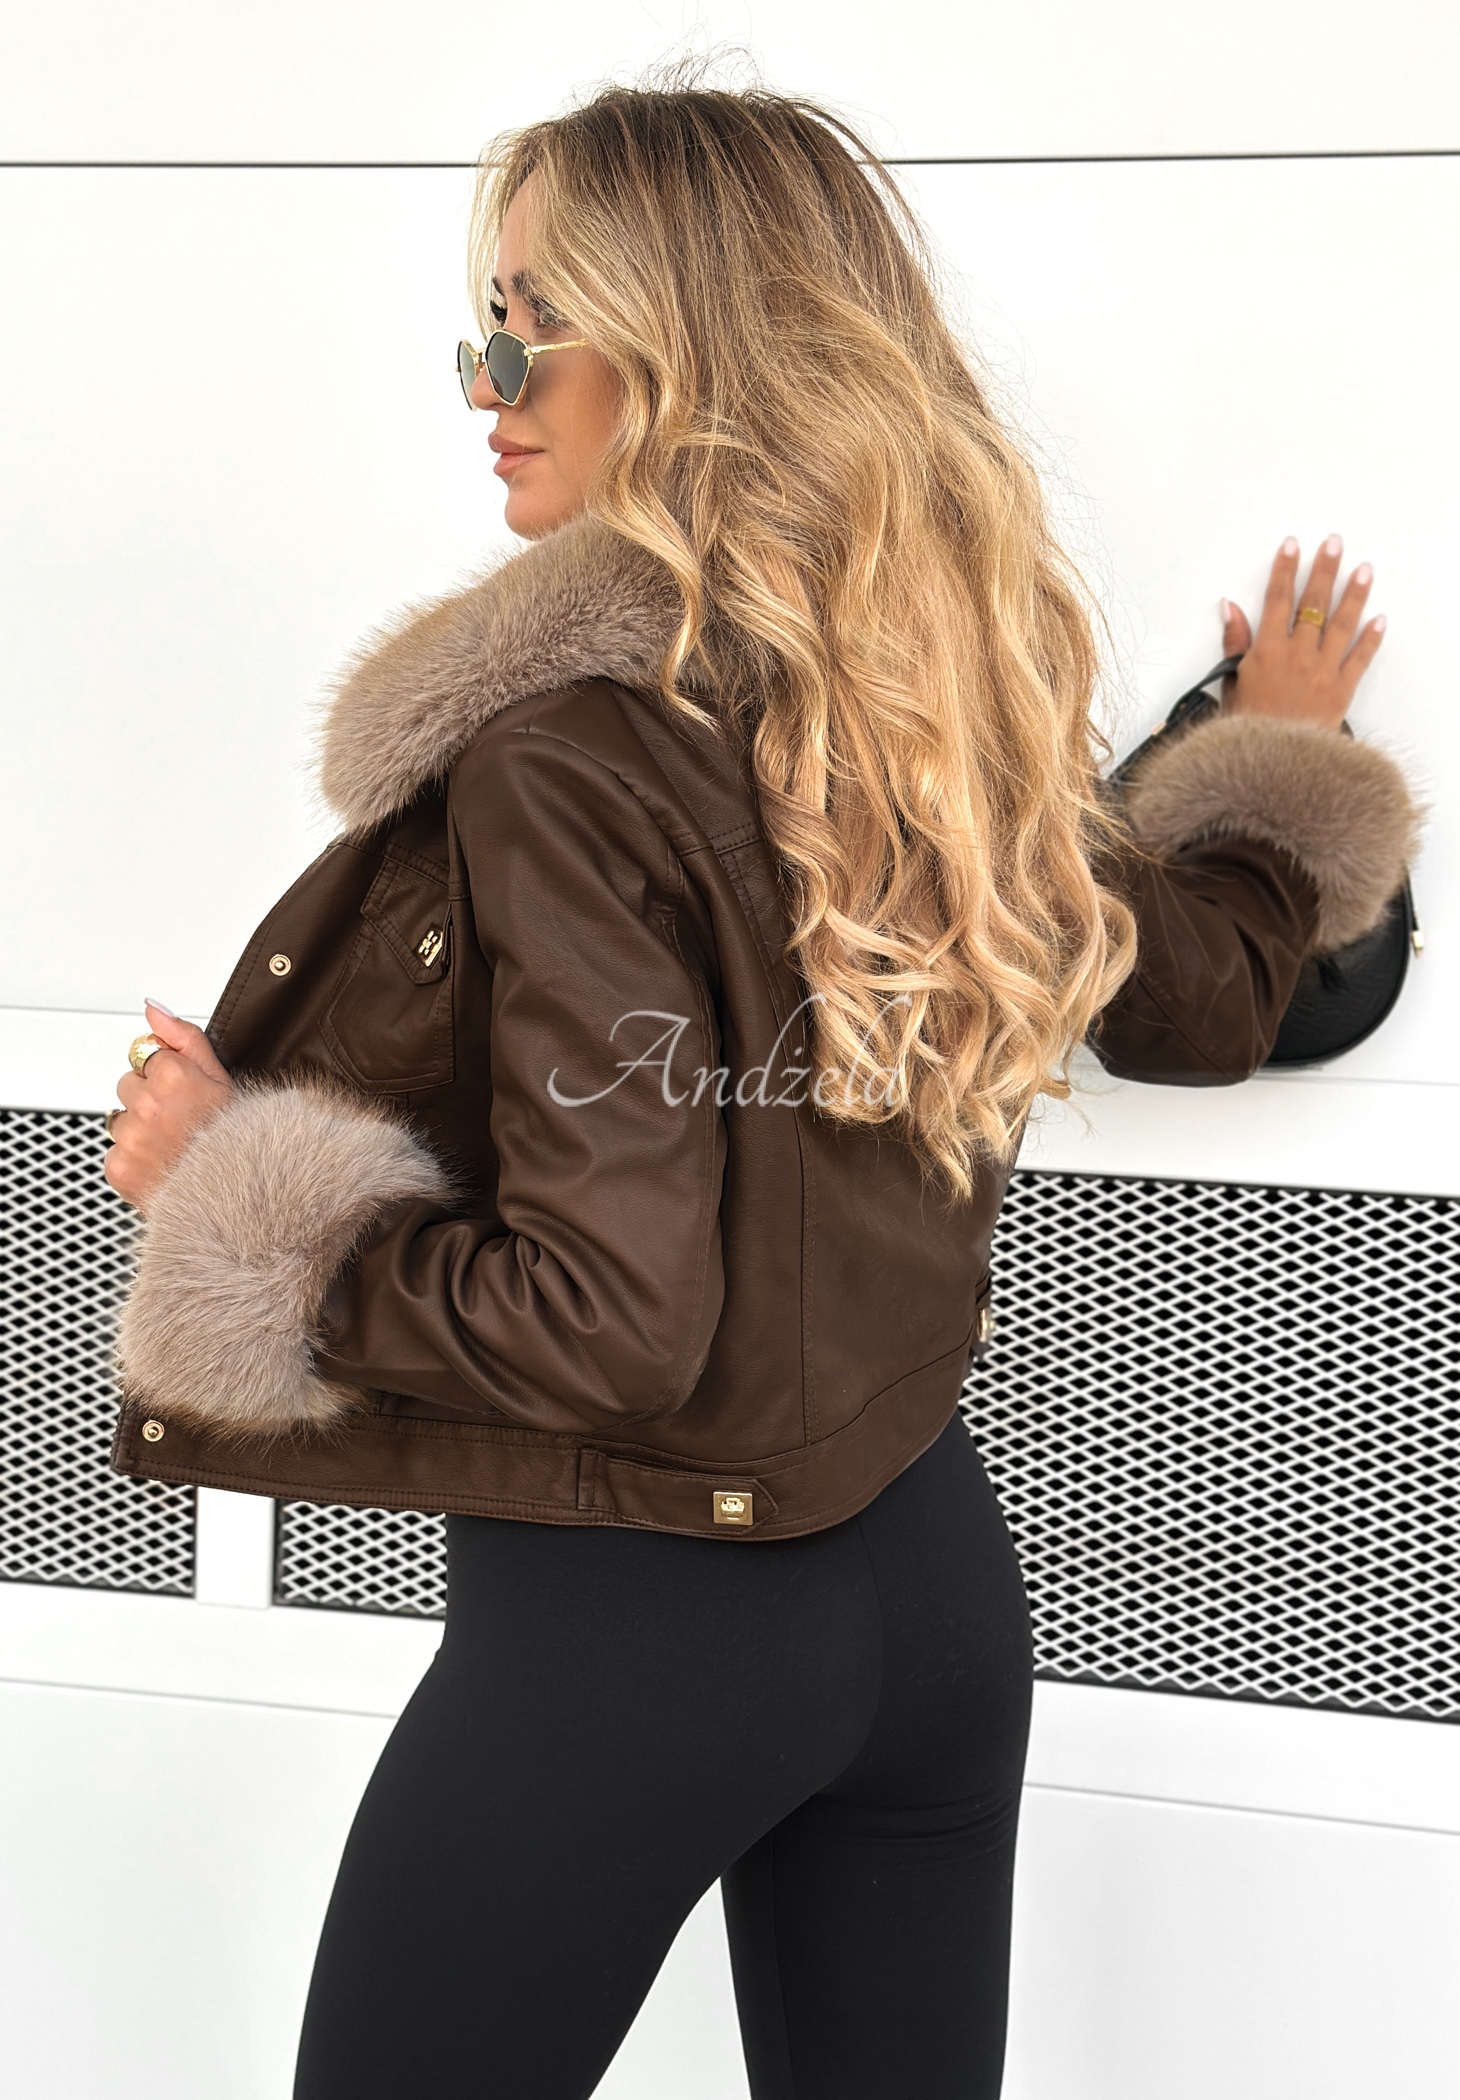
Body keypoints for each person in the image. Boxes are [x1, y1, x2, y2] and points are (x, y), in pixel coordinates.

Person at [103, 81, 1418, 2100]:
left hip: (638, 1638)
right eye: (483, 327)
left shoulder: (567, 757)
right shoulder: (932, 718)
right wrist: (1275, 760)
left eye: (536, 326)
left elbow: (612, 1322)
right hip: (929, 1594)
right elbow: (1210, 991)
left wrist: (238, 1198)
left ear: (691, 351)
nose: (487, 385)